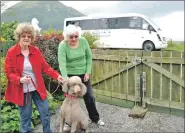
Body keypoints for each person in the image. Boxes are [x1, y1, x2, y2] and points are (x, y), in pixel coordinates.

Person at [4, 22, 65, 133]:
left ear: (32, 38)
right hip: (23, 90)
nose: (26, 38)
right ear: (19, 37)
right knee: (26, 117)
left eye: (29, 36)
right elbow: (8, 73)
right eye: (24, 36)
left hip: (38, 88)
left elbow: (46, 68)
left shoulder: (35, 51)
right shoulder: (11, 52)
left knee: (45, 112)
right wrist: (20, 79)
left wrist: (58, 76)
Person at [58, 24, 105, 131]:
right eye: (71, 37)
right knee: (69, 101)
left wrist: (87, 72)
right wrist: (66, 79)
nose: (74, 39)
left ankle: (95, 118)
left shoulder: (83, 41)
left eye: (76, 36)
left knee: (89, 97)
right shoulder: (63, 45)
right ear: (66, 37)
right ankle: (68, 123)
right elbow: (62, 63)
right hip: (70, 77)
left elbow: (89, 57)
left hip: (83, 75)